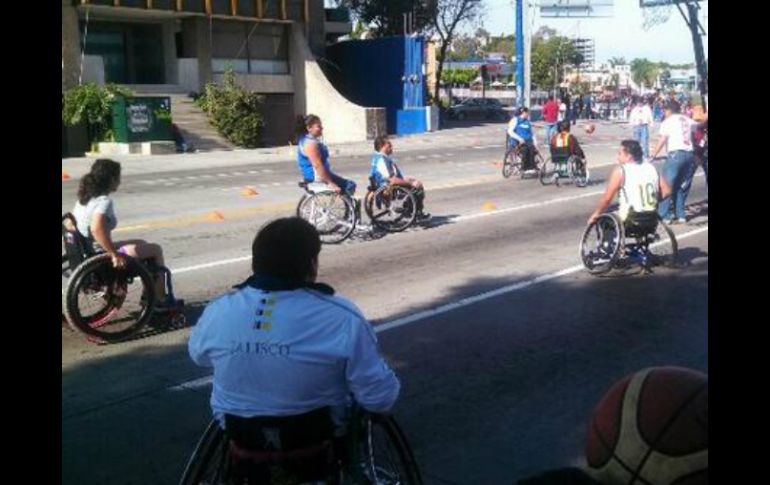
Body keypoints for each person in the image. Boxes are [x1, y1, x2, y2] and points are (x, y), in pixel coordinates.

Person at [188, 217, 400, 481]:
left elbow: (199, 356)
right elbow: (378, 397)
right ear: (312, 263)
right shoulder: (341, 315)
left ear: (256, 263)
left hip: (240, 435)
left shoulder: (219, 309)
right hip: (318, 440)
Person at [72, 158, 180, 310]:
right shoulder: (103, 201)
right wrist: (114, 254)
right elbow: (97, 229)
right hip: (100, 254)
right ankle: (159, 299)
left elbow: (71, 224)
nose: (120, 181)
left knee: (142, 243)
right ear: (111, 179)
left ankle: (150, 293)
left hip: (88, 250)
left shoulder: (84, 198)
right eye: (118, 177)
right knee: (155, 250)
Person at [587, 140, 671, 226]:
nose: (617, 157)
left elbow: (607, 199)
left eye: (620, 154)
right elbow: (667, 191)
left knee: (604, 219)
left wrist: (596, 214)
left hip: (630, 219)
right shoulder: (651, 168)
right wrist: (654, 200)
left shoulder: (621, 171)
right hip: (651, 216)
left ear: (629, 157)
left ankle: (608, 239)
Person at [649, 100, 697, 224]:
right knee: (678, 186)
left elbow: (662, 139)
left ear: (669, 110)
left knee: (666, 185)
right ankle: (681, 215)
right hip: (689, 154)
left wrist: (653, 155)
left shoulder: (668, 122)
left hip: (676, 154)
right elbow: (698, 127)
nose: (664, 113)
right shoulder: (686, 119)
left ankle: (664, 215)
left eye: (664, 110)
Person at [369, 135, 430, 220]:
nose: (391, 147)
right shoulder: (382, 160)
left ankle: (410, 208)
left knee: (411, 180)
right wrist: (411, 183)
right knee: (418, 186)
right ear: (381, 146)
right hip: (389, 189)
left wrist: (407, 179)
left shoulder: (377, 157)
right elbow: (392, 180)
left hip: (383, 185)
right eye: (389, 145)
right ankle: (415, 212)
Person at [296, 114, 357, 196]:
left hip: (313, 173)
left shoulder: (306, 139)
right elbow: (317, 165)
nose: (322, 128)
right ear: (309, 128)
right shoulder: (311, 144)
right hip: (316, 175)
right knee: (350, 185)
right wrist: (330, 182)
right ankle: (349, 208)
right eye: (318, 126)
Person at [507, 107, 539, 171]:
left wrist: (535, 142)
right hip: (519, 141)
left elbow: (532, 133)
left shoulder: (527, 122)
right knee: (525, 149)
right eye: (527, 113)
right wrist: (519, 139)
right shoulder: (516, 120)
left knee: (532, 149)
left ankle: (532, 166)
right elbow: (510, 131)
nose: (528, 114)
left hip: (528, 140)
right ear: (524, 113)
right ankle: (524, 167)